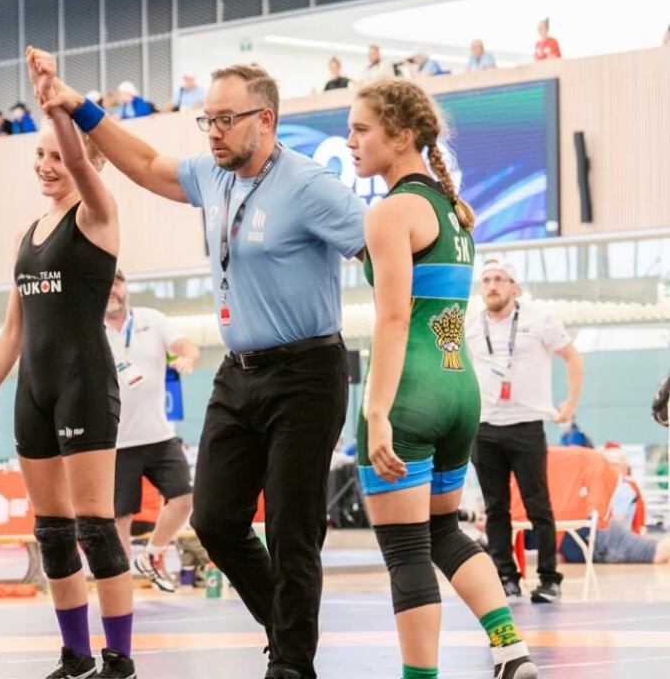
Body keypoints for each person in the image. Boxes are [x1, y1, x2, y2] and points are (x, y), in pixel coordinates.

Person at [36, 51, 365, 679]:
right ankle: (289, 630)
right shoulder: (213, 178)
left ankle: (291, 664)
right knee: (214, 519)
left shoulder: (310, 185)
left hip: (307, 373)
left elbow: (382, 244)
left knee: (293, 531)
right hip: (238, 371)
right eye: (206, 121)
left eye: (224, 120)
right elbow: (141, 162)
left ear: (264, 120)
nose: (212, 132)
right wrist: (75, 103)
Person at [349, 78, 537, 679]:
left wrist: (377, 411)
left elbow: (396, 318)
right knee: (443, 533)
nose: (349, 140)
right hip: (459, 391)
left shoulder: (390, 212)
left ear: (401, 137)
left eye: (361, 129)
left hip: (410, 394)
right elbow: (444, 316)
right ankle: (510, 650)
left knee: (405, 551)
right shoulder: (455, 213)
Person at [0, 48, 136, 679]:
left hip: (85, 385)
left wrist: (56, 98)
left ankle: (119, 658)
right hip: (33, 391)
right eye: (40, 155)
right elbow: (13, 330)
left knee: (95, 529)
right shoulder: (25, 234)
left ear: (84, 161)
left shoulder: (99, 215)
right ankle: (76, 656)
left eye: (57, 156)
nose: (46, 165)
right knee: (54, 535)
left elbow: (85, 163)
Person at [465, 257, 583, 603]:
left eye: (499, 279)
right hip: (484, 426)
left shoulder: (538, 319)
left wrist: (570, 404)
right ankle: (506, 577)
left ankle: (549, 578)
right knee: (496, 506)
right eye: (486, 279)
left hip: (527, 425)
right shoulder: (471, 325)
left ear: (514, 286)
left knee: (537, 505)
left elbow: (574, 357)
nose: (492, 286)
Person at [104, 268, 199, 593]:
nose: (112, 290)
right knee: (120, 519)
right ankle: (121, 588)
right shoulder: (90, 331)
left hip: (159, 435)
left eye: (117, 282)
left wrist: (187, 358)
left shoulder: (151, 319)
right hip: (116, 442)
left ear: (126, 287)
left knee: (183, 500)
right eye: (106, 283)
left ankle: (153, 555)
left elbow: (187, 345)